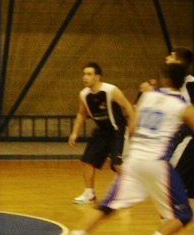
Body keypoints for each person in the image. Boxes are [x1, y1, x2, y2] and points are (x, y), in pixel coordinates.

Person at [70, 63, 194, 235]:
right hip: (157, 164)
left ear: (164, 80)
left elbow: (133, 128)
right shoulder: (183, 106)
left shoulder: (148, 97)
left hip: (134, 160)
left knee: (106, 206)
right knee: (184, 215)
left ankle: (78, 232)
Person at [68, 62, 136, 204]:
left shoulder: (111, 90)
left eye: (89, 74)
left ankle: (129, 193)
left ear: (97, 77)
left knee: (117, 165)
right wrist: (74, 133)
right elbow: (81, 114)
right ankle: (89, 194)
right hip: (102, 131)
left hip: (118, 130)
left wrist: (132, 126)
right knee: (87, 161)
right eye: (84, 74)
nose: (85, 77)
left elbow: (128, 107)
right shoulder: (84, 94)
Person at [166, 47, 194, 197]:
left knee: (172, 182)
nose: (166, 59)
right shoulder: (172, 87)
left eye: (170, 56)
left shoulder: (190, 84)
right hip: (181, 137)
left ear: (178, 62)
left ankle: (171, 219)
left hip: (189, 139)